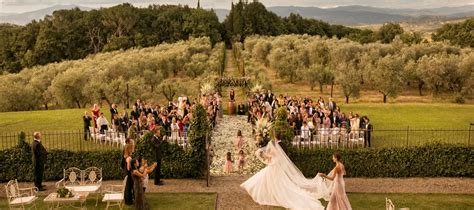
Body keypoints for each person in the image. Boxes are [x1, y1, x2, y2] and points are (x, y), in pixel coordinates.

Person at [241, 133, 331, 210]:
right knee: (272, 180)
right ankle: (269, 192)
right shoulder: (280, 146)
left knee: (267, 179)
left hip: (274, 165)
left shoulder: (275, 148)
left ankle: (267, 193)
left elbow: (271, 156)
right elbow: (281, 156)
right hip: (277, 165)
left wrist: (264, 155)